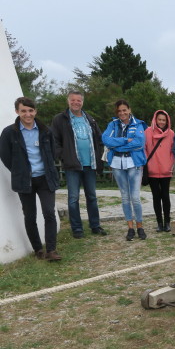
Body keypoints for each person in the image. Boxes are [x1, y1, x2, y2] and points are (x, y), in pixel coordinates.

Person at [0, 97, 61, 261]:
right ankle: (38, 250)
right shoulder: (8, 133)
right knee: (30, 215)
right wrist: (19, 170)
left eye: (30, 110)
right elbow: (5, 156)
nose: (27, 114)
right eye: (23, 111)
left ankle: (51, 250)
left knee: (49, 212)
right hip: (24, 181)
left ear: (35, 111)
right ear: (17, 112)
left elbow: (53, 152)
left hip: (45, 178)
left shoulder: (45, 130)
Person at [51, 90, 107, 238]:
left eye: (79, 100)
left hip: (90, 164)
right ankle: (77, 229)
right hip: (72, 165)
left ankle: (95, 226)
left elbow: (100, 139)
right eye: (73, 100)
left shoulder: (90, 119)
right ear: (68, 101)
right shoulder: (60, 119)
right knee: (73, 198)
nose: (76, 103)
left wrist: (100, 157)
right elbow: (54, 141)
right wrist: (64, 156)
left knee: (92, 197)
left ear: (83, 102)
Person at [102, 99, 147, 241]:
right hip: (117, 164)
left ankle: (140, 226)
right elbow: (105, 140)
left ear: (129, 110)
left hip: (134, 163)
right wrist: (124, 141)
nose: (122, 113)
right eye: (119, 111)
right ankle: (130, 228)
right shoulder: (113, 124)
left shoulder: (138, 124)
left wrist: (117, 146)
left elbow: (139, 143)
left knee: (135, 197)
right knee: (125, 197)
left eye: (124, 110)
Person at [144, 110, 175, 232]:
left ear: (167, 121)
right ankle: (159, 223)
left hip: (166, 171)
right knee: (156, 197)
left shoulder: (171, 133)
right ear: (155, 119)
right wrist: (148, 162)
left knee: (165, 196)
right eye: (159, 119)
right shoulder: (147, 132)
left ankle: (167, 222)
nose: (161, 122)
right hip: (152, 171)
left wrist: (169, 164)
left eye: (164, 120)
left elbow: (173, 150)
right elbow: (144, 148)